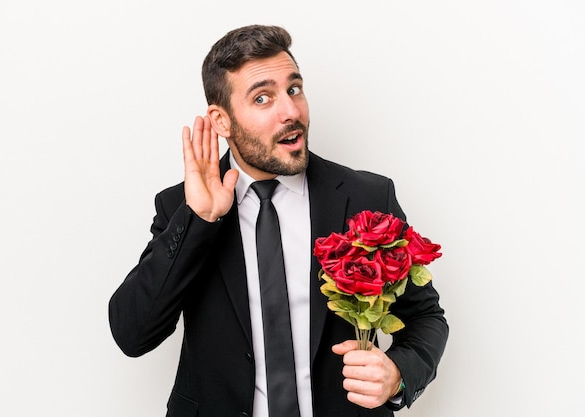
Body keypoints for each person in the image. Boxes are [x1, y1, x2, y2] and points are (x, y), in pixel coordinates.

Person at [109, 24, 448, 417]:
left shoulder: (366, 199)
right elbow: (133, 335)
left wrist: (397, 376)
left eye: (294, 89)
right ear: (222, 122)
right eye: (263, 98)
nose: (291, 111)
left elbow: (426, 318)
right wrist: (199, 219)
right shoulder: (181, 208)